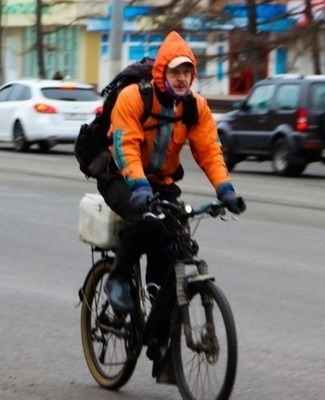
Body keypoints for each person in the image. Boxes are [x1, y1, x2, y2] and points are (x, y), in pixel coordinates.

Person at [98, 30, 246, 316]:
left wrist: (225, 189)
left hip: (160, 181)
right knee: (146, 219)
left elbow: (209, 150)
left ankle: (160, 316)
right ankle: (118, 277)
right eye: (175, 71)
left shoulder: (195, 106)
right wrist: (139, 185)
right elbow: (124, 144)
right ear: (162, 71)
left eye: (187, 71)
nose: (182, 78)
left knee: (175, 235)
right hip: (120, 175)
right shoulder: (134, 97)